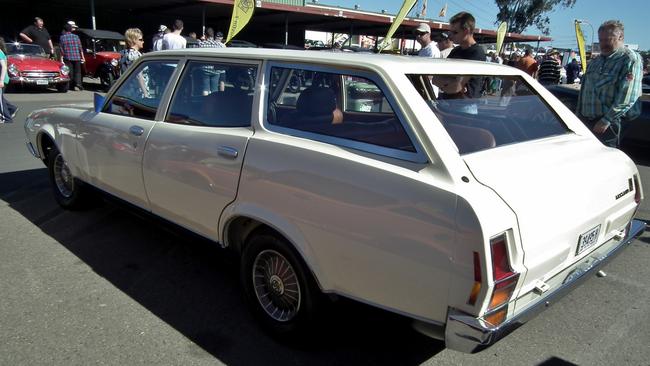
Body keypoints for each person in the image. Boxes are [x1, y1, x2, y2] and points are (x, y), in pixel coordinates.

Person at [576, 20, 643, 148]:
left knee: (603, 161)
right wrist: (578, 116)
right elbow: (584, 90)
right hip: (586, 121)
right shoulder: (596, 62)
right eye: (601, 40)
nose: (603, 44)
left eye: (608, 40)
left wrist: (606, 120)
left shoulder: (629, 59)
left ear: (620, 37)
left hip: (609, 123)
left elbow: (628, 96)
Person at [447, 11, 485, 100]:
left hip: (465, 106)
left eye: (455, 32)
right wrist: (450, 84)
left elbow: (457, 86)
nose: (451, 36)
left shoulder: (477, 53)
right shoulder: (455, 51)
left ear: (466, 31)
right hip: (448, 102)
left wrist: (447, 84)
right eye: (451, 32)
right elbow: (436, 79)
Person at [198, 28, 226, 95]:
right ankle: (213, 102)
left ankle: (205, 100)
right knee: (214, 89)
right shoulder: (218, 45)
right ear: (213, 35)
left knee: (205, 88)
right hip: (215, 69)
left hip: (205, 69)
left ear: (205, 35)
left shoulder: (201, 44)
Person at [59, 23, 85, 91]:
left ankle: (70, 85)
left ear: (64, 30)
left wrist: (61, 58)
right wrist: (82, 57)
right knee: (78, 72)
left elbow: (61, 49)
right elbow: (80, 48)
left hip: (67, 57)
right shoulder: (76, 37)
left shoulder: (62, 37)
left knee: (70, 72)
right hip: (77, 57)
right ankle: (78, 83)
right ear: (71, 29)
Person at [0, 37, 18, 123]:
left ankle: (6, 118)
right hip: (3, 79)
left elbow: (3, 66)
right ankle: (12, 109)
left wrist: (1, 80)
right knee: (0, 98)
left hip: (2, 79)